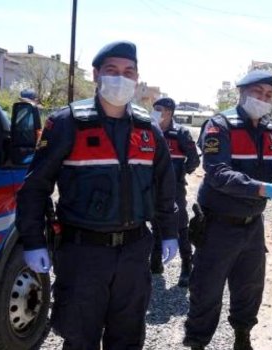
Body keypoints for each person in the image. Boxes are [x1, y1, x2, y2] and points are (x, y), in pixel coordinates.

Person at [16, 41, 180, 350]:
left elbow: (165, 187)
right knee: (80, 338)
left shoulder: (149, 130)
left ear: (137, 77)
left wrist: (169, 233)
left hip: (134, 251)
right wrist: (32, 240)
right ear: (96, 74)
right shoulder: (67, 123)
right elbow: (35, 186)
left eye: (128, 71)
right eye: (112, 70)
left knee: (128, 337)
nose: (121, 77)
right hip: (83, 254)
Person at [183, 70, 272, 350]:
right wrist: (264, 189)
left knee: (249, 288)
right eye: (258, 93)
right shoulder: (219, 126)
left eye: (268, 95)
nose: (263, 99)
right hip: (218, 224)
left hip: (253, 224)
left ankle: (243, 337)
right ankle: (197, 342)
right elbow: (217, 173)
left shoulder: (271, 132)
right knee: (206, 290)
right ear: (241, 93)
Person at [149, 97, 200, 286]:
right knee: (155, 222)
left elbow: (194, 160)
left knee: (179, 225)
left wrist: (178, 176)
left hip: (174, 189)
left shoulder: (180, 133)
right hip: (153, 187)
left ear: (169, 113)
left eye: (159, 109)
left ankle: (187, 265)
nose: (154, 112)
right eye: (154, 109)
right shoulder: (150, 132)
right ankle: (155, 262)